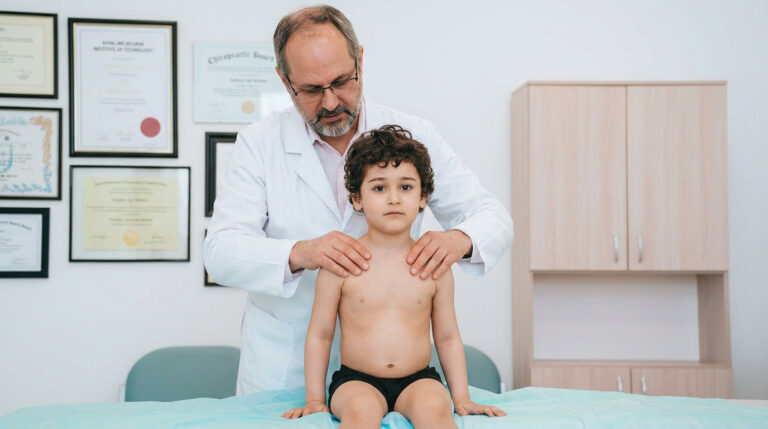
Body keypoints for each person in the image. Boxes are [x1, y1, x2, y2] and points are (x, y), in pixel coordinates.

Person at [203, 5, 514, 395]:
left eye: (342, 82)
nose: (331, 102)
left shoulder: (415, 135)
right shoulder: (259, 144)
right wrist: (302, 252)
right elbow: (220, 251)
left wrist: (459, 239)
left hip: (393, 380)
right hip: (285, 371)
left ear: (360, 61)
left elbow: (493, 216)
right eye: (313, 90)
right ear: (285, 82)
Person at [281, 125, 506, 428]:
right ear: (357, 199)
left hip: (419, 379)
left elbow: (447, 336)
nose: (393, 198)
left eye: (405, 187)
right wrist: (314, 401)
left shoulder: (435, 264)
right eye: (378, 188)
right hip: (355, 381)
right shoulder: (340, 264)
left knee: (436, 412)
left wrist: (462, 398)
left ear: (423, 197)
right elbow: (320, 335)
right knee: (360, 412)